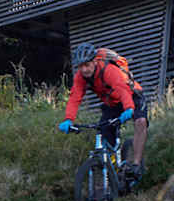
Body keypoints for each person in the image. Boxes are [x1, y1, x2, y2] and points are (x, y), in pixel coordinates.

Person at [58, 43, 148, 186]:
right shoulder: (80, 77)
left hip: (131, 95)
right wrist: (68, 119)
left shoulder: (108, 70)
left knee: (140, 122)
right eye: (80, 66)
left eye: (87, 65)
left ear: (94, 61)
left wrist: (129, 108)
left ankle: (136, 164)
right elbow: (75, 98)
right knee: (105, 132)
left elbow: (122, 89)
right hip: (111, 103)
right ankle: (113, 171)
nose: (84, 69)